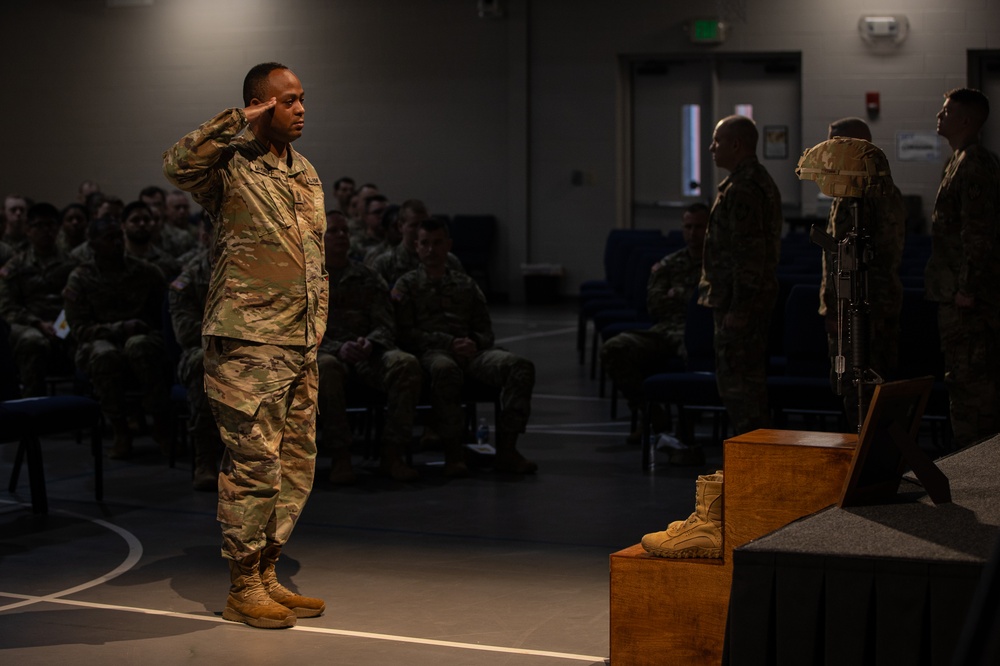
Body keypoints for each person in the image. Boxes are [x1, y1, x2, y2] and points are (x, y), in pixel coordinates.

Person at [163, 61, 328, 630]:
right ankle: (241, 585)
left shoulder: (304, 171)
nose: (301, 108)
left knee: (295, 466)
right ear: (261, 106)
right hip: (246, 340)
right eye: (288, 101)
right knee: (254, 466)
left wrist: (315, 331)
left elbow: (313, 260)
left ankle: (266, 573)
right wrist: (237, 121)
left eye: (303, 98)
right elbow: (177, 164)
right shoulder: (230, 165)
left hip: (299, 341)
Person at [393, 218, 537, 476]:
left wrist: (475, 343)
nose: (431, 249)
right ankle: (453, 454)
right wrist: (448, 343)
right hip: (432, 353)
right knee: (445, 369)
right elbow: (405, 333)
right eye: (425, 243)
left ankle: (507, 450)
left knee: (519, 367)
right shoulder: (406, 285)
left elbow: (485, 329)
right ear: (416, 246)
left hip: (471, 353)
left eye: (437, 243)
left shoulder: (465, 284)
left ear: (448, 245)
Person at [318, 211, 422, 483]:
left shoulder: (367, 276)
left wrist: (371, 342)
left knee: (405, 363)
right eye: (333, 231)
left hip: (367, 354)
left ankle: (392, 454)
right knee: (326, 368)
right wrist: (337, 348)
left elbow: (386, 323)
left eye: (344, 231)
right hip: (326, 352)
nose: (341, 236)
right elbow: (298, 329)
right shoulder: (303, 279)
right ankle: (341, 457)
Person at [698, 115, 783, 437]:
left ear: (736, 144)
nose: (711, 148)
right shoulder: (747, 182)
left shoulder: (745, 188)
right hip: (741, 301)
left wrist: (739, 308)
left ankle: (755, 462)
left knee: (741, 389)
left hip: (741, 305)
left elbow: (749, 255)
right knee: (743, 385)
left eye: (717, 141)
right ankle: (753, 458)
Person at [600, 202, 708, 454]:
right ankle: (650, 414)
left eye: (699, 227)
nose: (693, 233)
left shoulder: (719, 265)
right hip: (665, 329)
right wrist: (689, 296)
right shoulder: (669, 264)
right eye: (688, 227)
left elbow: (711, 303)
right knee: (614, 348)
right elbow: (654, 304)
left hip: (701, 334)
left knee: (696, 359)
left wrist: (678, 293)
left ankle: (686, 427)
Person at [925, 88, 1000, 449]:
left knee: (973, 387)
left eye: (946, 112)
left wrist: (967, 289)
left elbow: (979, 233)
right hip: (954, 293)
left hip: (970, 301)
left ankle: (979, 468)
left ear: (966, 121)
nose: (939, 116)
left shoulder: (974, 163)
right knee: (961, 381)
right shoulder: (957, 160)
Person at [819, 118, 905, 430]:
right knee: (861, 392)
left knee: (861, 391)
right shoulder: (868, 184)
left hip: (860, 309)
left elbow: (853, 258)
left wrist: (836, 309)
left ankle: (868, 468)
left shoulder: (862, 188)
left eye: (833, 142)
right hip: (867, 305)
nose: (827, 150)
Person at [63, 216, 172, 459]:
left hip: (142, 336)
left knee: (139, 346)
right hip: (99, 340)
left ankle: (161, 425)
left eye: (118, 237)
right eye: (109, 238)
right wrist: (119, 328)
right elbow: (79, 329)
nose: (117, 244)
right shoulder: (80, 278)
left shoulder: (146, 272)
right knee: (105, 354)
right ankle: (120, 430)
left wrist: (140, 330)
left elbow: (164, 318)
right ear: (93, 245)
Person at [167, 213, 223, 491]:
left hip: (244, 350)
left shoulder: (251, 275)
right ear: (205, 238)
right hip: (201, 352)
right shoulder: (188, 281)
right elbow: (187, 333)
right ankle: (205, 459)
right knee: (206, 364)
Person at [0, 203, 77, 396]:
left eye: (51, 225)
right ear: (28, 230)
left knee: (84, 338)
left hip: (65, 323)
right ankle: (34, 402)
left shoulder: (72, 264)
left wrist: (62, 325)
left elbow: (79, 301)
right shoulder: (15, 265)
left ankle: (79, 404)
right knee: (33, 341)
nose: (46, 231)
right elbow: (7, 306)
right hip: (27, 324)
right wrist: (38, 323)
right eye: (39, 225)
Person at [371, 199, 463, 287]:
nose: (420, 230)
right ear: (400, 226)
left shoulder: (449, 261)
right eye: (414, 225)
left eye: (424, 224)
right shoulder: (385, 264)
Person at [122, 200, 182, 281]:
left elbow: (179, 285)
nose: (142, 224)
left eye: (146, 219)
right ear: (123, 226)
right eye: (135, 220)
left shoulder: (167, 261)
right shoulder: (117, 260)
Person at [349, 193, 388, 261]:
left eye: (385, 212)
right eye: (377, 212)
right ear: (366, 216)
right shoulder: (355, 243)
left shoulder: (395, 240)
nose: (382, 216)